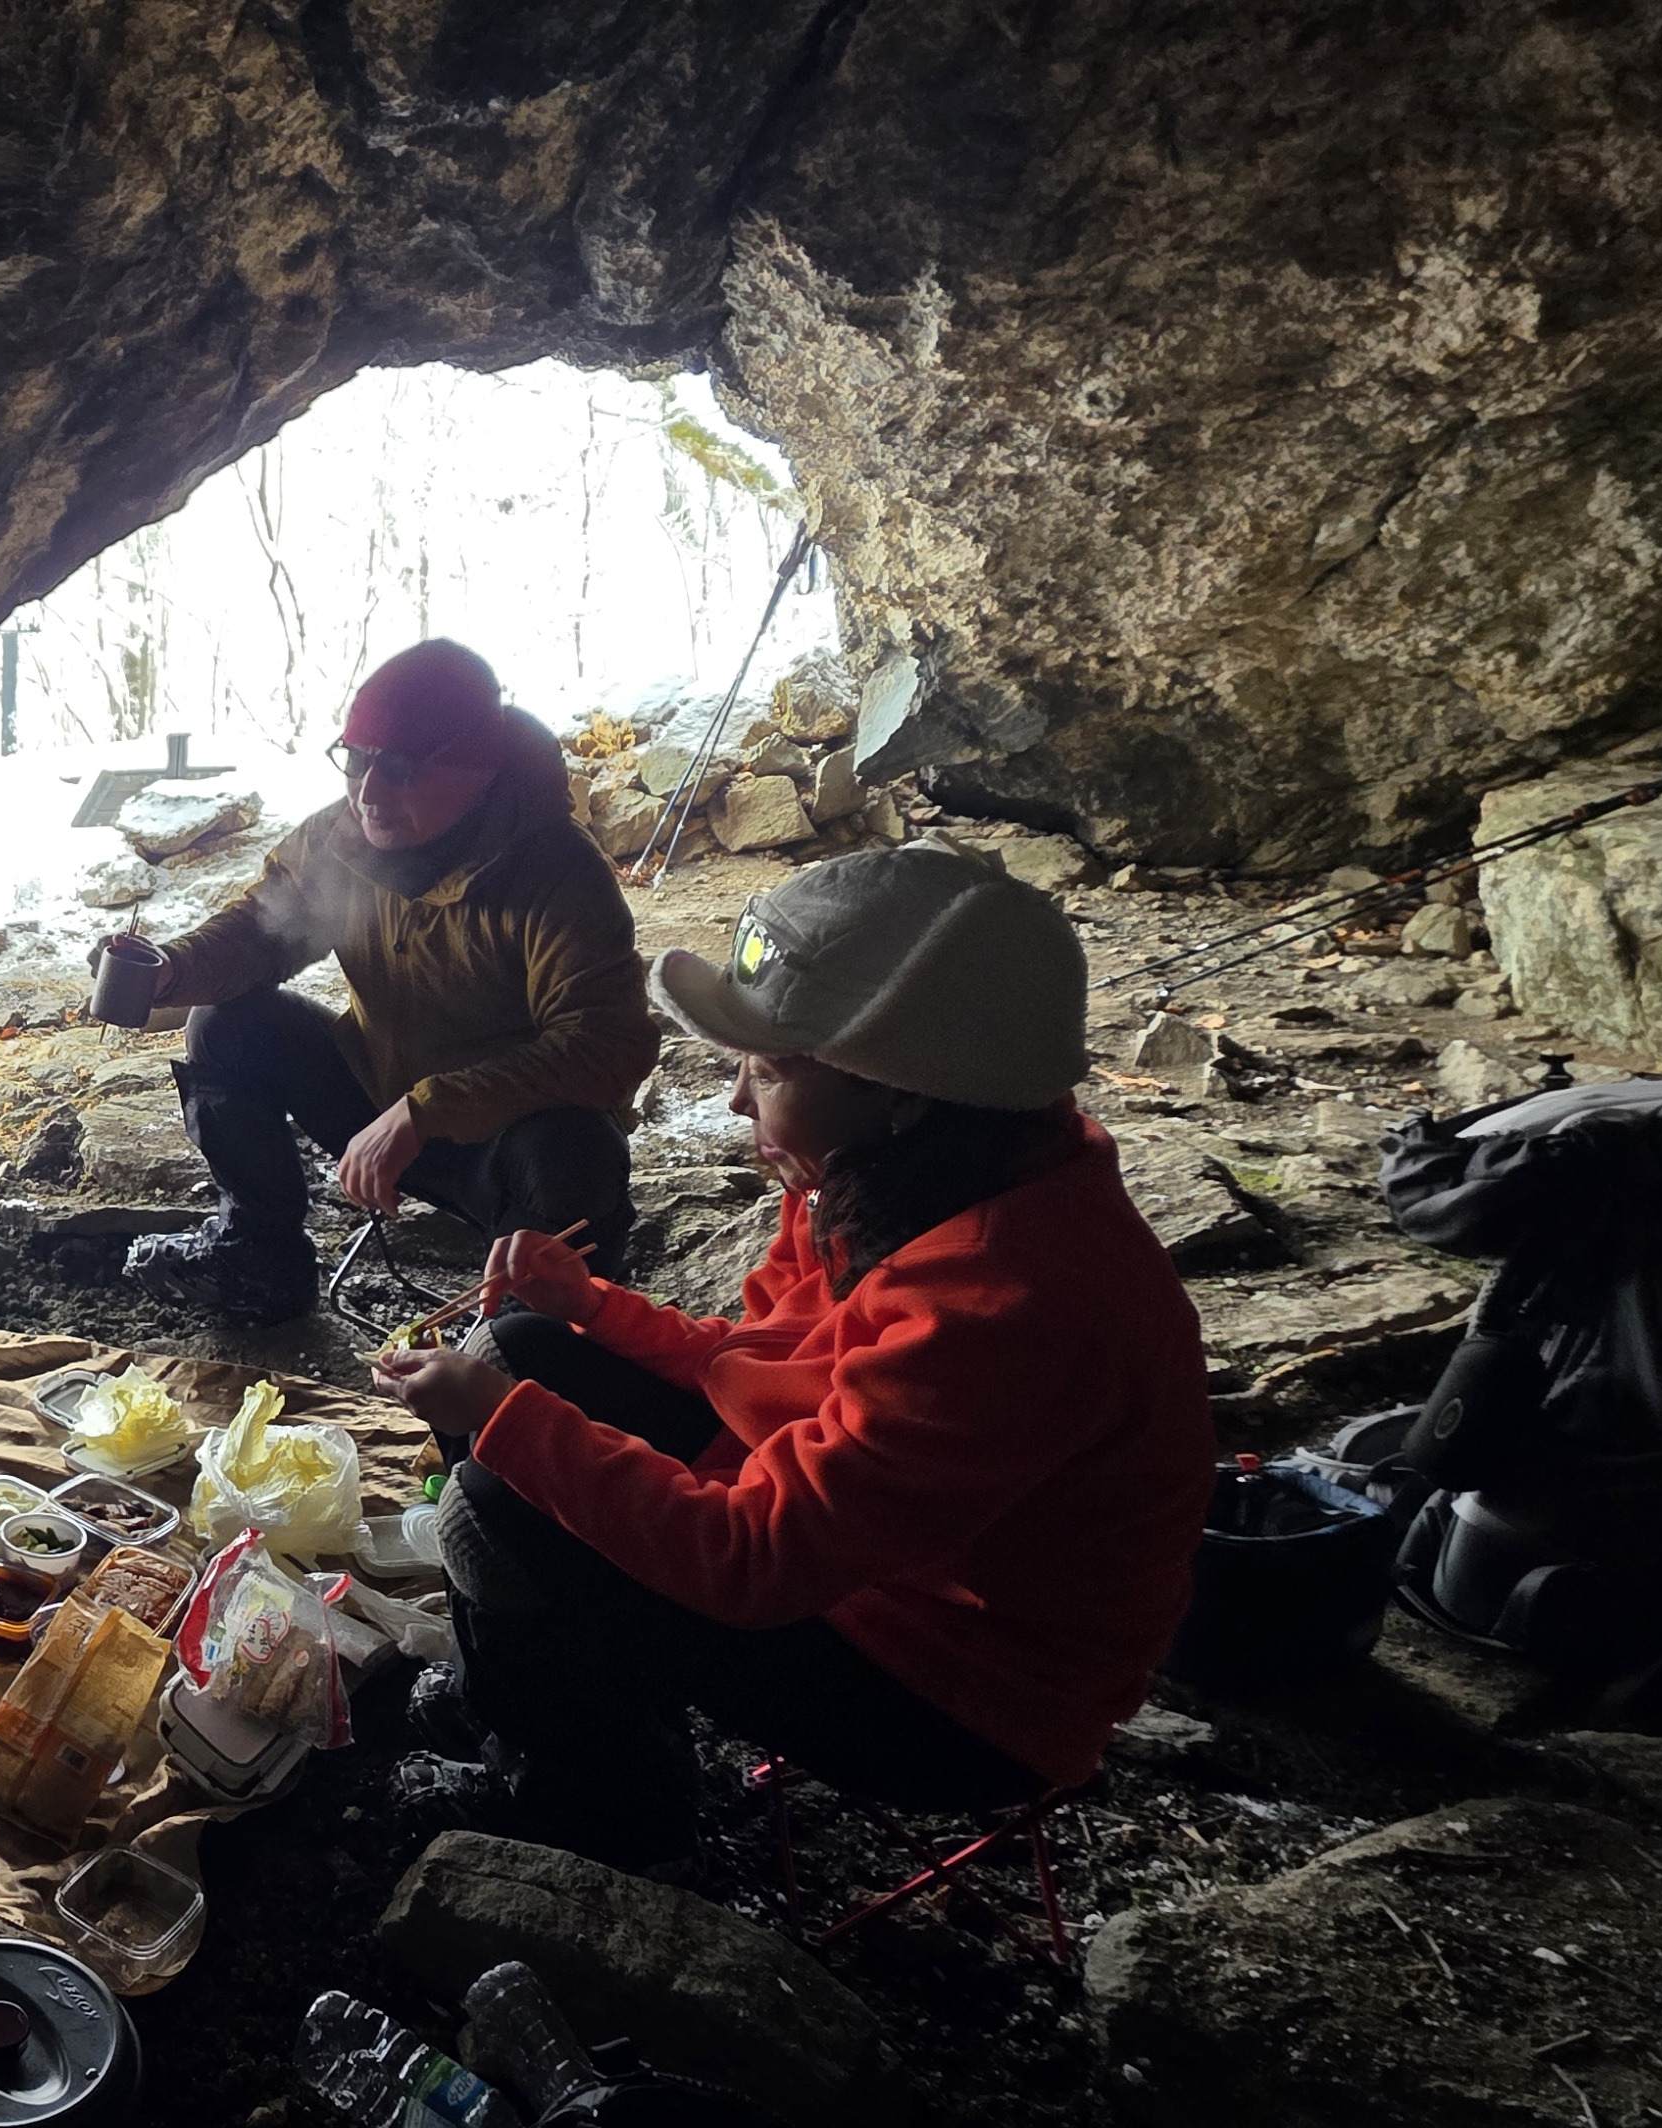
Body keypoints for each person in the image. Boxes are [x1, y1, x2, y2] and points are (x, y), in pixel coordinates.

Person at [370, 845, 1211, 1873]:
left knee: (496, 1504)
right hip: (854, 1555)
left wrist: (504, 1420)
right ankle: (545, 1690)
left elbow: (754, 1559)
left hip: (950, 1688)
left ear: (899, 1093)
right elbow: (759, 1365)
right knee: (519, 1346)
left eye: (766, 1071)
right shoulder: (897, 1177)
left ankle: (596, 1811)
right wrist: (588, 1305)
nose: (735, 1099)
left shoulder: (1005, 1302)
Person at [112, 639, 657, 1325]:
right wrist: (171, 970)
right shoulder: (342, 842)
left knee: (579, 1148)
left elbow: (606, 1047)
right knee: (225, 1026)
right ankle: (259, 1256)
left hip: (506, 1144)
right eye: (356, 760)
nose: (369, 793)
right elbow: (260, 931)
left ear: (476, 769)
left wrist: (426, 1110)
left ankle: (532, 1323)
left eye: (398, 768)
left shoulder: (555, 872)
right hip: (377, 1102)